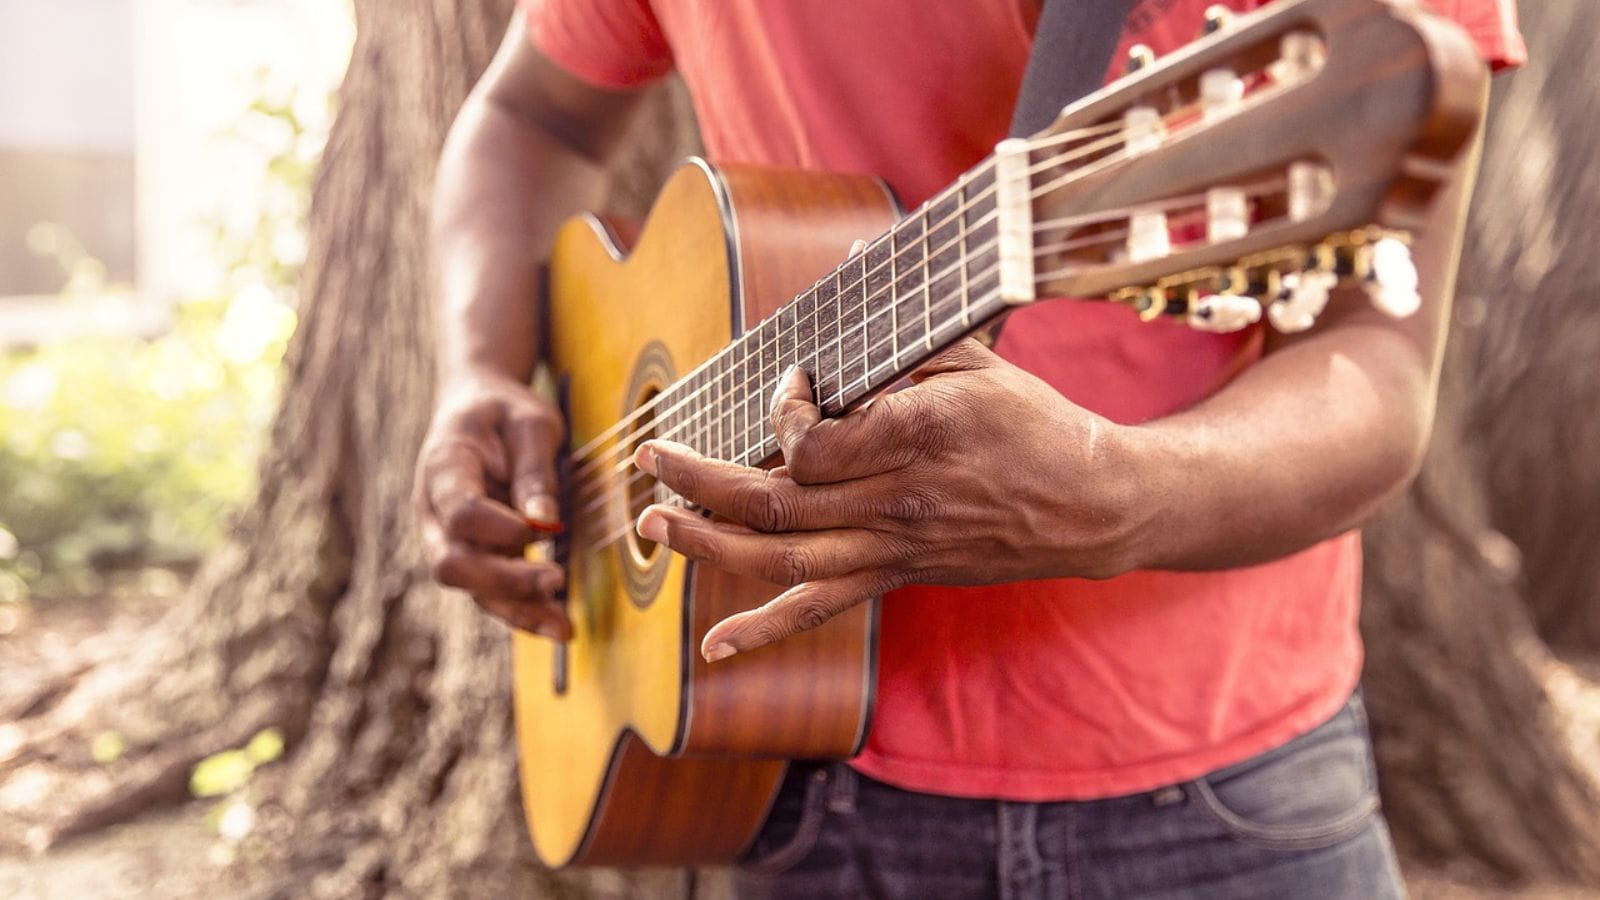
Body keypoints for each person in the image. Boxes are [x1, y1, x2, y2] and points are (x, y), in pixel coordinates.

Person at [415, 1, 1525, 896]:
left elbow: (1377, 368)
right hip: (785, 768)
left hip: (1228, 793)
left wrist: (1121, 495)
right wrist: (478, 370)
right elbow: (535, 117)